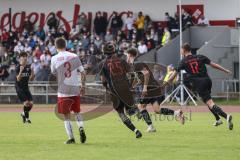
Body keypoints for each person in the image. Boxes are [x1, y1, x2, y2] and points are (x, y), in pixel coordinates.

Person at [166, 43, 233, 130]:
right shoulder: (200, 57)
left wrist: (167, 82)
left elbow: (174, 74)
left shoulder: (183, 61)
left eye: (181, 49)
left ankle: (226, 116)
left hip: (199, 83)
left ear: (184, 50)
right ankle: (218, 119)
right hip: (208, 80)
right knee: (207, 100)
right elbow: (213, 64)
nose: (180, 51)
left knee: (210, 103)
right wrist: (225, 70)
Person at [126, 48, 185, 132]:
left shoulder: (136, 63)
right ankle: (177, 113)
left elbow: (146, 74)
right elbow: (141, 78)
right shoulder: (136, 64)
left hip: (150, 88)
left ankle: (151, 127)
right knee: (157, 110)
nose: (126, 57)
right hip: (154, 87)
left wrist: (145, 87)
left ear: (130, 55)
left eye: (126, 55)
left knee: (141, 106)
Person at [99, 42, 142, 138]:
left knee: (120, 113)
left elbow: (103, 80)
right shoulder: (122, 60)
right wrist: (131, 85)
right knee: (129, 107)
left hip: (114, 90)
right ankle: (135, 110)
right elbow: (132, 74)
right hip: (125, 87)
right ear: (114, 50)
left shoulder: (102, 64)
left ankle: (136, 131)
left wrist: (106, 88)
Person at [51, 37, 87, 144]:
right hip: (75, 88)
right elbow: (83, 73)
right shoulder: (74, 56)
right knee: (77, 112)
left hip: (63, 89)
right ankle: (81, 127)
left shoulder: (54, 58)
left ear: (56, 46)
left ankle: (71, 138)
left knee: (66, 115)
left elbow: (53, 72)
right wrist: (83, 86)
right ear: (66, 45)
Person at [15, 52, 35, 124]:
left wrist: (32, 72)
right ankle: (27, 119)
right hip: (19, 88)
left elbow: (31, 79)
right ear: (20, 58)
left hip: (26, 87)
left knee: (31, 104)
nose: (25, 58)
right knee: (26, 103)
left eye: (26, 56)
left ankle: (23, 113)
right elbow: (18, 79)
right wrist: (20, 71)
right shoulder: (18, 67)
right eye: (23, 56)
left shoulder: (28, 67)